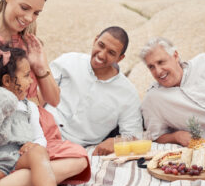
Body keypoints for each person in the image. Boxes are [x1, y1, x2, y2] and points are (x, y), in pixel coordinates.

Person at [0, 0, 90, 186]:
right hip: (5, 131)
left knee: (79, 160)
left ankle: (11, 182)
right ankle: (22, 179)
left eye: (37, 13)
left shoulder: (30, 44)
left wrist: (40, 67)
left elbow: (53, 99)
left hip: (36, 130)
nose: (29, 18)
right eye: (25, 8)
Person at [0, 46, 73, 186]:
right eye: (26, 76)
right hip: (0, 161)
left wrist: (33, 144)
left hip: (19, 157)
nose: (31, 81)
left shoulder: (28, 107)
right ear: (7, 80)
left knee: (40, 152)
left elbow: (40, 137)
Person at [45, 26, 143, 156]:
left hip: (73, 148)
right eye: (101, 45)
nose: (102, 54)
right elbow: (39, 92)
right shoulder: (68, 61)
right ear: (95, 40)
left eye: (111, 53)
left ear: (120, 58)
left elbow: (134, 135)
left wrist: (115, 141)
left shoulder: (128, 94)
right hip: (41, 127)